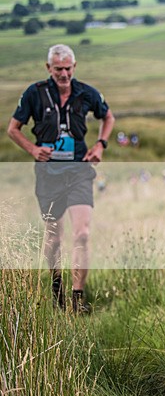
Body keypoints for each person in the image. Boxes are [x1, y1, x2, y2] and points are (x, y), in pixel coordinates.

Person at [7, 44, 115, 314]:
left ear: (74, 67)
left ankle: (78, 298)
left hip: (79, 171)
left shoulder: (87, 93)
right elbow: (13, 129)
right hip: (48, 174)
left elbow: (108, 117)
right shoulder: (34, 93)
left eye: (68, 68)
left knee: (82, 234)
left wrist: (101, 144)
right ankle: (57, 290)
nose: (64, 74)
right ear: (49, 69)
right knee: (54, 239)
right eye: (58, 69)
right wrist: (32, 149)